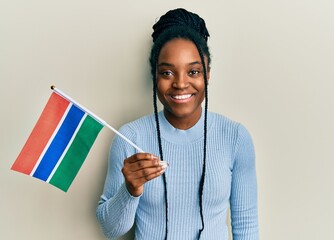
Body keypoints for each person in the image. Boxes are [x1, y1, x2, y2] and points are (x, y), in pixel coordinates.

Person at [96, 8, 258, 240]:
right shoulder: (130, 137)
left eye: (193, 71)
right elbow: (111, 230)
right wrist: (130, 191)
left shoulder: (235, 137)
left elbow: (246, 226)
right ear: (155, 76)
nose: (181, 84)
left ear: (207, 74)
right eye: (167, 73)